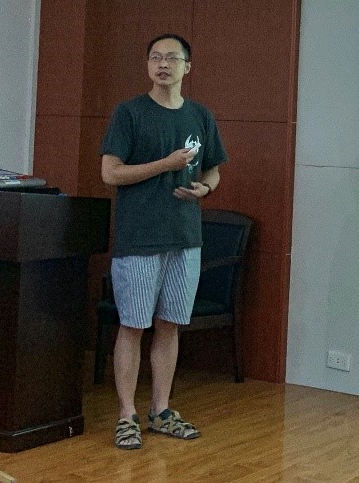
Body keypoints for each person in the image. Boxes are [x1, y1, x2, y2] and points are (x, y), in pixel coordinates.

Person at [100, 33, 228, 450]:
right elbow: (111, 173)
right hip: (139, 238)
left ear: (187, 67)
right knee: (133, 325)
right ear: (147, 65)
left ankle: (161, 410)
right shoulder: (130, 113)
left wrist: (205, 189)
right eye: (155, 57)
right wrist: (165, 164)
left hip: (185, 238)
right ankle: (126, 415)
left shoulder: (200, 115)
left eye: (172, 58)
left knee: (169, 325)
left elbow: (213, 170)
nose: (163, 64)